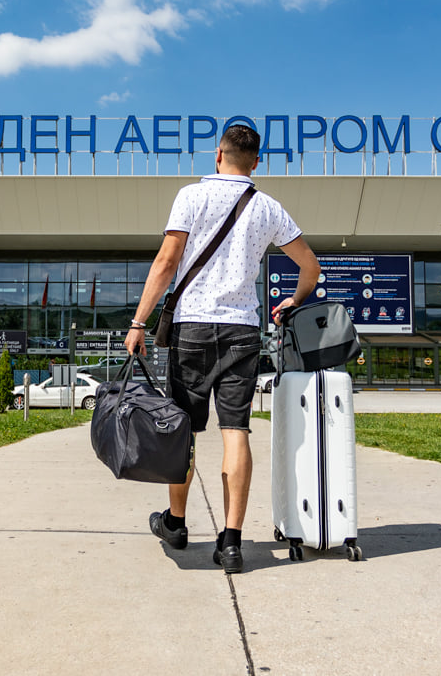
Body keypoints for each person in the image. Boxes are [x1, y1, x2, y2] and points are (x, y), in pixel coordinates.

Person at [126, 124, 320, 575]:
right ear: (256, 162)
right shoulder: (268, 208)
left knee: (183, 430)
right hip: (241, 331)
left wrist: (139, 321)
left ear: (218, 155)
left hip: (192, 328)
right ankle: (230, 543)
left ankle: (175, 523)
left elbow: (166, 262)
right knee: (236, 431)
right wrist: (293, 299)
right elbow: (310, 266)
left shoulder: (191, 196)